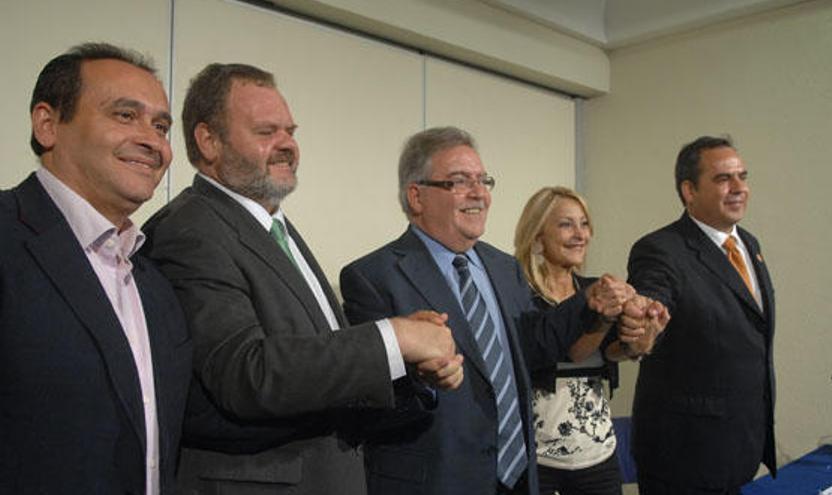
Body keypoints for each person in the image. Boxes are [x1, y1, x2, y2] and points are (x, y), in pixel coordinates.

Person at [142, 63, 462, 495]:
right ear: (209, 140)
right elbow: (245, 373)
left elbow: (319, 376)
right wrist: (393, 338)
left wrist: (407, 367)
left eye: (290, 131)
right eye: (266, 131)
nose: (287, 145)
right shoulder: (191, 230)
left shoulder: (273, 226)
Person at [339, 127, 653, 495]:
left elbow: (536, 345)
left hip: (517, 478)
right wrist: (421, 381)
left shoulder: (504, 267)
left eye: (483, 180)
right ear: (417, 196)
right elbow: (364, 403)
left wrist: (589, 303)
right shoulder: (373, 277)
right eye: (460, 182)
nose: (479, 193)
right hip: (439, 482)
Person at [0, 43, 191, 494]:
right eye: (125, 115)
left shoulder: (154, 281)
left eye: (161, 126)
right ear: (48, 124)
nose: (152, 142)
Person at [627, 136, 776, 494]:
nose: (739, 187)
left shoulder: (749, 244)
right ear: (689, 190)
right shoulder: (660, 250)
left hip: (740, 445)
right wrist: (646, 322)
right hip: (685, 457)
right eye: (724, 178)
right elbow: (653, 299)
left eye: (742, 176)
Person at [513, 186, 665, 495]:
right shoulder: (518, 296)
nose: (580, 234)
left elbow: (612, 352)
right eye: (566, 224)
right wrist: (603, 317)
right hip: (538, 460)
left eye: (584, 224)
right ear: (538, 237)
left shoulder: (595, 288)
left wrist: (643, 336)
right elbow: (570, 352)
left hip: (598, 455)